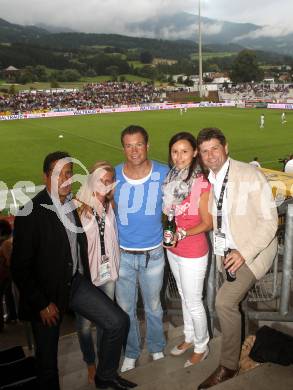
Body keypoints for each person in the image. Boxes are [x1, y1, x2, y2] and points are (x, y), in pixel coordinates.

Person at [11, 151, 136, 390]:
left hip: (74, 284)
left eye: (69, 173)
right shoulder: (30, 213)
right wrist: (41, 304)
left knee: (117, 321)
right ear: (46, 176)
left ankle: (105, 376)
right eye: (59, 174)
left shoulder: (71, 202)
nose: (66, 179)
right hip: (46, 296)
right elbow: (20, 267)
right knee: (47, 364)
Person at [196, 128, 278, 389]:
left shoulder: (249, 174)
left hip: (253, 251)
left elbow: (269, 222)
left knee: (224, 302)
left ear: (226, 148)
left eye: (215, 149)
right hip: (227, 252)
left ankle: (228, 366)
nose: (211, 156)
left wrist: (244, 253)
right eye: (205, 151)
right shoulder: (210, 178)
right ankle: (247, 339)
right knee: (234, 304)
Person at [114, 125, 168, 372]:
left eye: (138, 144)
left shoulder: (163, 172)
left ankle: (156, 347)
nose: (134, 150)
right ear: (123, 147)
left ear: (147, 145)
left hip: (153, 255)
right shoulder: (113, 175)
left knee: (154, 307)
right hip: (122, 256)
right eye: (128, 145)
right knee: (126, 310)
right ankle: (132, 351)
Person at [162, 132, 212, 368]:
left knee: (194, 301)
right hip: (174, 249)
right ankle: (190, 337)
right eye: (174, 151)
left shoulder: (201, 182)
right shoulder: (171, 177)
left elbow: (207, 222)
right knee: (183, 295)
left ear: (194, 153)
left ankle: (202, 346)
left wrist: (183, 233)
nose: (179, 157)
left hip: (193, 250)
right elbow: (169, 212)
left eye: (184, 151)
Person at [74, 161, 120, 384]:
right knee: (84, 325)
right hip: (85, 277)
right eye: (101, 179)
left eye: (108, 180)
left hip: (107, 273)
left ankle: (103, 362)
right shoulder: (77, 206)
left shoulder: (112, 205)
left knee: (106, 322)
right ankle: (90, 362)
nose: (105, 184)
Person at [0, 219, 14, 332]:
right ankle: (12, 316)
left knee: (9, 295)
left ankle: (12, 316)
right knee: (8, 295)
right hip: (6, 274)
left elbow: (9, 261)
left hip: (6, 274)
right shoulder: (8, 241)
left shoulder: (6, 243)